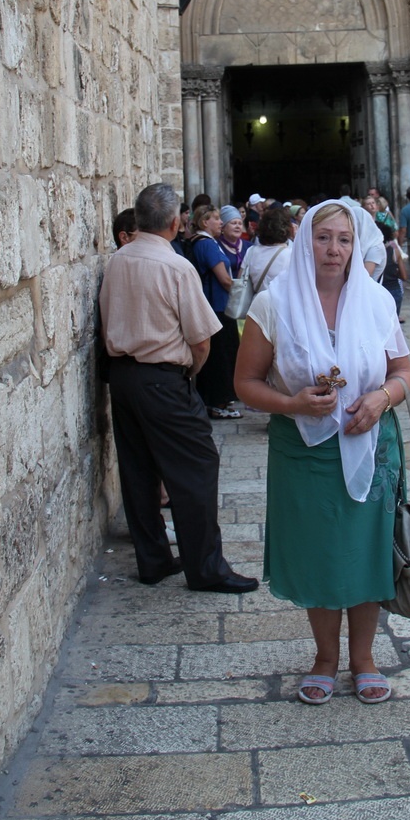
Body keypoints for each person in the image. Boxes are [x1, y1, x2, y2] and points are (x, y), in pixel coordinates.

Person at [234, 200, 410, 704]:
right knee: (319, 552)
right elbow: (245, 383)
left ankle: (364, 659)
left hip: (372, 444)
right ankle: (325, 658)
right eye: (323, 237)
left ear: (356, 246)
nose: (334, 249)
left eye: (344, 239)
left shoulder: (376, 301)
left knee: (367, 550)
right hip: (303, 449)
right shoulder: (274, 304)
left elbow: (403, 371)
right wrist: (292, 403)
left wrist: (382, 398)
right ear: (304, 242)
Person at [99, 183, 258, 593]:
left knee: (137, 468)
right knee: (197, 465)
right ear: (175, 222)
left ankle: (152, 559)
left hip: (123, 377)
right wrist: (189, 376)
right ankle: (205, 568)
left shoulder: (117, 260)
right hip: (162, 377)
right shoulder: (176, 266)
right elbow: (202, 339)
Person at [187, 205, 243, 418]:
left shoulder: (201, 242)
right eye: (216, 218)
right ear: (204, 222)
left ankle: (213, 401)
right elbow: (224, 279)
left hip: (212, 305)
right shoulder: (207, 244)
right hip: (217, 306)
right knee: (221, 357)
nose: (221, 222)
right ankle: (218, 402)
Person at [242, 204, 293, 300]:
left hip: (256, 304)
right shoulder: (291, 254)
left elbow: (241, 280)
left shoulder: (251, 251)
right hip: (280, 304)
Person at [377, 216, 407, 318]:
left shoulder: (371, 252)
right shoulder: (394, 249)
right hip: (395, 290)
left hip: (379, 291)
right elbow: (404, 276)